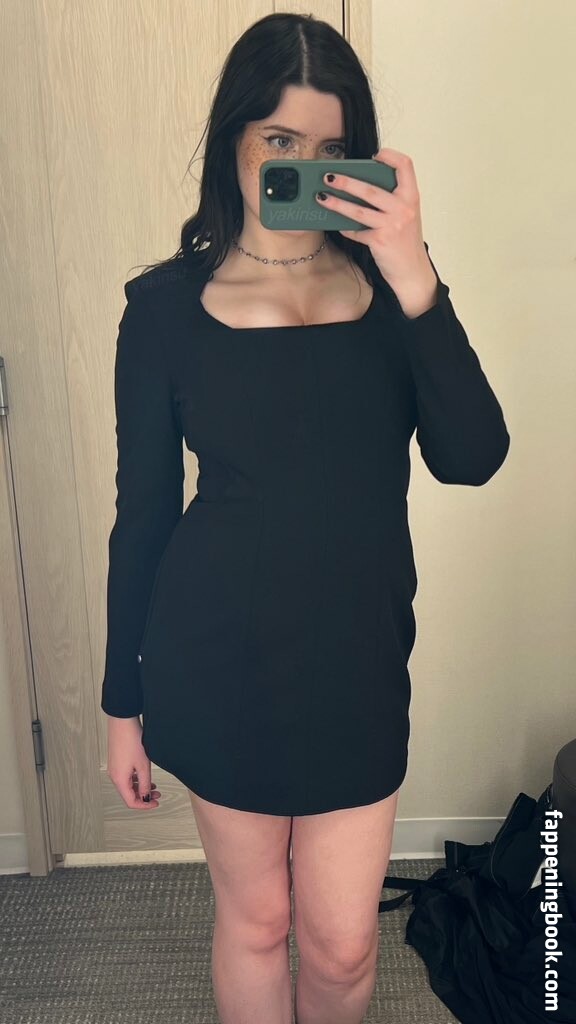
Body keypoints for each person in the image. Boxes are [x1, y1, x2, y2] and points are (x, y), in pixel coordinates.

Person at [101, 12, 510, 1024]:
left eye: (331, 149)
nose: (304, 169)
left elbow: (473, 458)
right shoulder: (163, 310)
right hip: (216, 662)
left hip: (354, 665)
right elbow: (143, 516)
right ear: (234, 140)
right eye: (280, 141)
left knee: (343, 939)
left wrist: (415, 274)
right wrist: (122, 703)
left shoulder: (393, 293)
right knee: (255, 922)